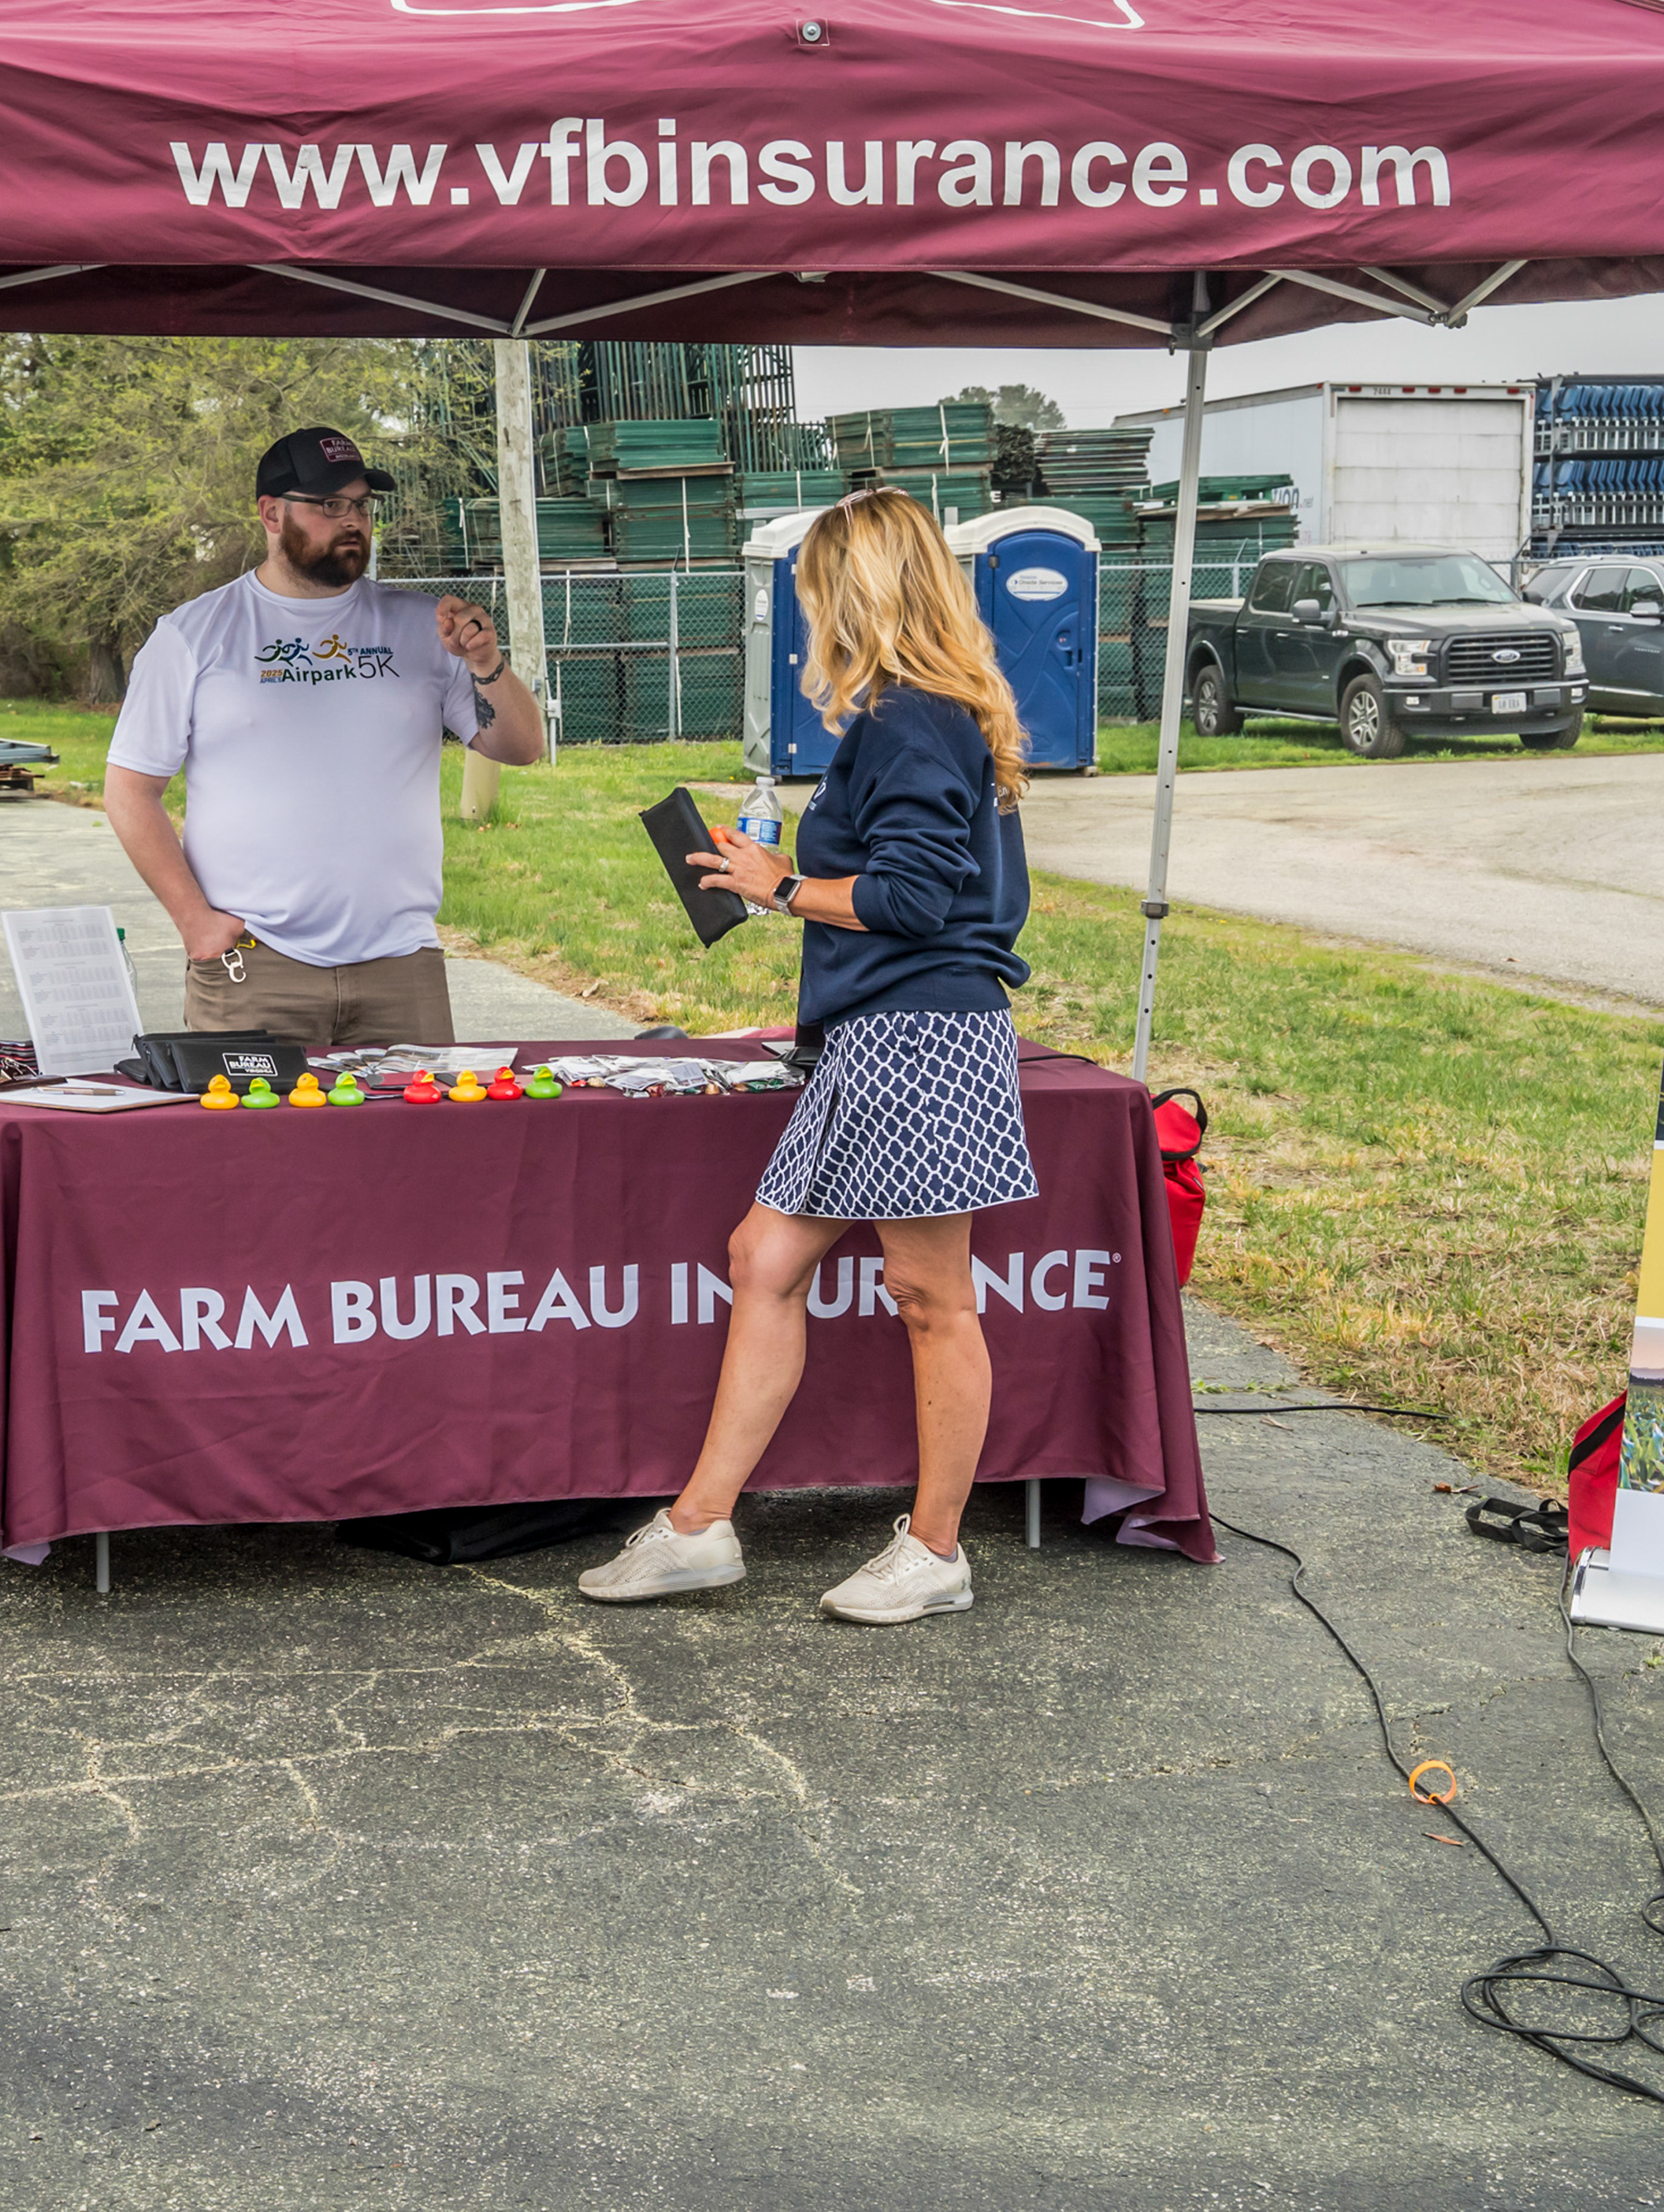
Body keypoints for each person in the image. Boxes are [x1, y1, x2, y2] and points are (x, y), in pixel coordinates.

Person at [578, 488, 1034, 1625]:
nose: (809, 615)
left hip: (919, 1034)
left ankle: (935, 1553)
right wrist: (774, 878)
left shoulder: (913, 718)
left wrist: (778, 884)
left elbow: (912, 899)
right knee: (764, 1257)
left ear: (860, 592)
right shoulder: (923, 715)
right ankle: (699, 1528)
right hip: (876, 1037)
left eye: (818, 592)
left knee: (930, 1297)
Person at [103, 425, 549, 1048]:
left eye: (362, 505)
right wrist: (195, 921)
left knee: (419, 1117)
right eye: (330, 504)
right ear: (271, 514)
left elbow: (521, 748)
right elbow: (129, 789)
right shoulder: (194, 635)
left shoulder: (423, 626)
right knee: (251, 1121)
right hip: (254, 963)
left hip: (401, 965)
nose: (353, 521)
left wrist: (485, 663)